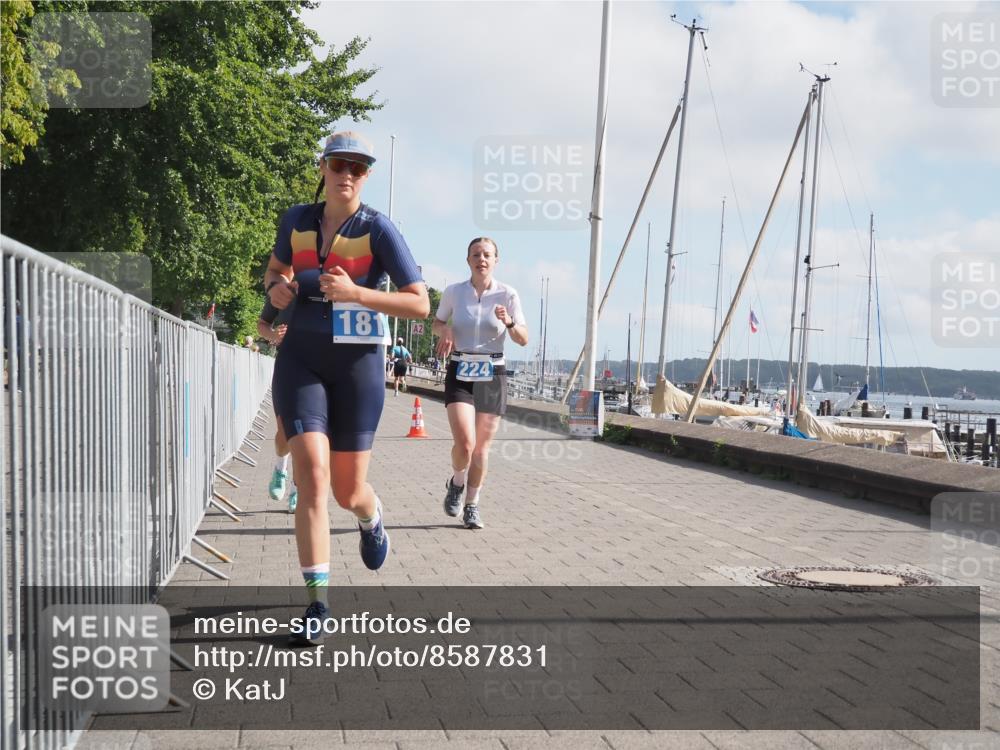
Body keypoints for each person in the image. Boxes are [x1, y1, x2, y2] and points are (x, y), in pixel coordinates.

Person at [264, 131, 429, 645]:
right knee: (311, 476)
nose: (348, 174)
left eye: (359, 167)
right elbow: (274, 272)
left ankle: (371, 516)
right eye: (340, 164)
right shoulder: (296, 220)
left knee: (346, 490)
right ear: (324, 166)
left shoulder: (378, 229)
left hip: (357, 367)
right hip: (301, 361)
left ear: (367, 175)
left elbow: (420, 303)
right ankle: (318, 602)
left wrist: (357, 292)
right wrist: (279, 288)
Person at [433, 237, 528, 530]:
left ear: (496, 260)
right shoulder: (454, 292)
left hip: (492, 373)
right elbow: (435, 322)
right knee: (464, 443)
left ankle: (472, 505)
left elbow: (523, 339)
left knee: (480, 450)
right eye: (476, 254)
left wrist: (510, 322)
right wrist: (445, 330)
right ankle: (456, 483)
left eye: (487, 255)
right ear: (468, 260)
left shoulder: (507, 294)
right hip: (461, 368)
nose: (481, 259)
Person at [258, 296, 298, 513]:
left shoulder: (328, 286)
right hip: (288, 367)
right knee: (284, 433)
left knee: (308, 436)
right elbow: (263, 324)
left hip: (320, 372)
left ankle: (297, 488)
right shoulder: (283, 290)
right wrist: (273, 334)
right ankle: (280, 468)